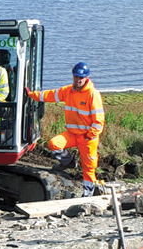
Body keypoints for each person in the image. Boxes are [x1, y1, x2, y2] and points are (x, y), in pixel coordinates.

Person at [25, 61, 104, 197]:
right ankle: (70, 163)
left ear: (86, 78)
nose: (78, 80)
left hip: (88, 138)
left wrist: (89, 135)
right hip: (72, 134)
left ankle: (87, 195)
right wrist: (32, 95)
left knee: (89, 168)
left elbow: (99, 121)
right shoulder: (68, 91)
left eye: (81, 78)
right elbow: (50, 95)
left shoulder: (92, 94)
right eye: (76, 77)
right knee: (53, 144)